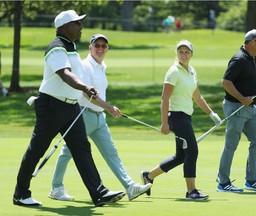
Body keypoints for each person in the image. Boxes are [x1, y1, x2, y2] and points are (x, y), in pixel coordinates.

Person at [13, 10, 125, 207]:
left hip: (71, 107)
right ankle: (21, 194)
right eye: (77, 23)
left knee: (82, 148)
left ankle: (98, 192)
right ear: (65, 27)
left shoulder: (71, 47)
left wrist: (82, 90)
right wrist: (84, 87)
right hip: (51, 106)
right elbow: (65, 74)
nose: (81, 27)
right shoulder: (56, 48)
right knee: (37, 149)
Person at [48, 33, 152, 202]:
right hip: (84, 115)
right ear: (90, 48)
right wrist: (110, 107)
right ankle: (56, 188)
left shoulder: (102, 66)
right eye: (97, 45)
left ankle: (130, 187)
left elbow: (99, 92)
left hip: (99, 118)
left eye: (104, 46)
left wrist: (106, 109)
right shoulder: (85, 66)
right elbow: (87, 93)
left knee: (111, 153)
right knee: (67, 152)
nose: (100, 49)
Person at [141, 40, 221, 200]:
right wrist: (164, 123)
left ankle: (148, 176)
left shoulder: (191, 71)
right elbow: (164, 98)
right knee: (192, 150)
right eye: (180, 52)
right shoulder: (173, 71)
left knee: (181, 156)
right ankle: (191, 191)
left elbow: (197, 96)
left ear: (191, 54)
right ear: (176, 53)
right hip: (176, 117)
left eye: (187, 52)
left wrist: (211, 114)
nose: (183, 55)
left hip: (186, 117)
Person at [216, 29, 256, 193]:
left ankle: (251, 179)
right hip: (237, 108)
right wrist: (241, 98)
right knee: (231, 145)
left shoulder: (249, 58)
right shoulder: (239, 59)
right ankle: (223, 182)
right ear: (252, 42)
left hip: (250, 108)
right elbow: (226, 82)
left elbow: (244, 79)